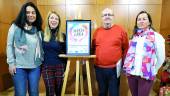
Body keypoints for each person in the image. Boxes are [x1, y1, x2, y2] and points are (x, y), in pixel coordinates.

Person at [123, 11, 165, 96]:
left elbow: (161, 58)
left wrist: (153, 69)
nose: (141, 21)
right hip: (132, 73)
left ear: (149, 22)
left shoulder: (157, 37)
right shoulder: (134, 37)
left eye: (144, 19)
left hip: (145, 75)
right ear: (136, 22)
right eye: (139, 19)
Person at [6, 2, 43, 96]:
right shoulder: (15, 27)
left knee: (34, 93)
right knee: (20, 93)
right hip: (18, 67)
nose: (30, 14)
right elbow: (9, 45)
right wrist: (11, 63)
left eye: (33, 12)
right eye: (28, 12)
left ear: (36, 15)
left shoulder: (38, 30)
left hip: (35, 66)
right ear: (23, 13)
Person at [92, 8, 129, 96]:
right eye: (105, 15)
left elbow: (126, 48)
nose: (107, 16)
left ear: (113, 17)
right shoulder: (96, 32)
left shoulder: (121, 30)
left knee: (114, 93)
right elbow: (92, 47)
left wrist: (124, 64)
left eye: (109, 14)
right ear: (102, 17)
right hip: (99, 68)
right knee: (102, 92)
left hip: (114, 69)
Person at [42, 11, 65, 96]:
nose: (54, 20)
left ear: (59, 22)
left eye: (56, 19)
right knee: (50, 91)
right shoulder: (42, 35)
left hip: (60, 66)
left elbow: (66, 53)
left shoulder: (63, 36)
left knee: (59, 91)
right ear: (48, 20)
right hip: (46, 67)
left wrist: (66, 69)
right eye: (52, 18)